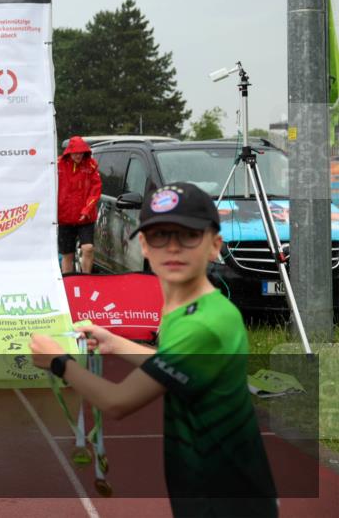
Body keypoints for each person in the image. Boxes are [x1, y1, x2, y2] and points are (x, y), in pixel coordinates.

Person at [30, 183, 277, 517]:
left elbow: (117, 402)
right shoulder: (192, 307)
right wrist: (115, 342)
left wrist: (58, 362)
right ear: (144, 245)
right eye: (160, 236)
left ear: (214, 246)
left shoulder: (202, 324)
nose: (173, 247)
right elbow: (175, 366)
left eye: (188, 235)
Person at [58, 135, 101, 273]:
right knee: (67, 255)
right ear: (69, 152)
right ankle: (68, 282)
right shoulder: (58, 165)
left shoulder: (91, 166)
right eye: (75, 152)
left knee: (88, 248)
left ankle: (86, 278)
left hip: (85, 218)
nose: (78, 155)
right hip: (64, 217)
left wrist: (87, 209)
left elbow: (95, 191)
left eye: (81, 152)